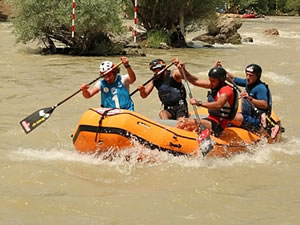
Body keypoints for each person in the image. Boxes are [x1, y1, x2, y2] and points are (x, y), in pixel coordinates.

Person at [175, 63, 238, 137]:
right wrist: (183, 70)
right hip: (210, 119)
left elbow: (218, 104)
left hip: (219, 124)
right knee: (183, 123)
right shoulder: (215, 85)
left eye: (213, 81)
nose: (211, 83)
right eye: (210, 80)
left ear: (221, 80)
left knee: (184, 122)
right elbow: (195, 81)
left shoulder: (226, 90)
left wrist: (199, 103)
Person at [216, 61, 272, 133]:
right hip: (246, 116)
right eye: (247, 75)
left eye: (251, 75)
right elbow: (232, 79)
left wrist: (250, 98)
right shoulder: (248, 82)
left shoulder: (261, 88)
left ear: (257, 76)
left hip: (256, 121)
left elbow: (264, 105)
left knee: (229, 115)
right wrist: (221, 70)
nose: (248, 77)